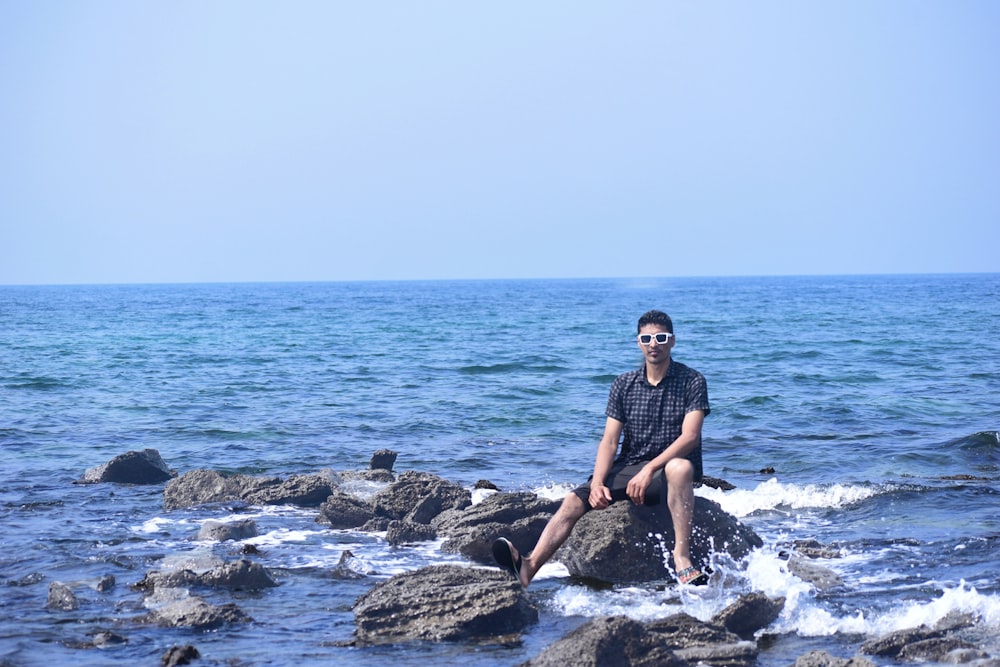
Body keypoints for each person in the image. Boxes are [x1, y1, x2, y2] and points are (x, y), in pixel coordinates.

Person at [492, 309, 711, 587]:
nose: (653, 343)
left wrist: (650, 470)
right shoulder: (623, 384)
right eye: (646, 338)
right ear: (638, 342)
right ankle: (528, 567)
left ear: (672, 341)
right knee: (573, 500)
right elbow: (609, 441)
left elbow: (690, 436)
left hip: (669, 473)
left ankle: (682, 558)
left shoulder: (692, 381)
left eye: (660, 337)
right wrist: (596, 484)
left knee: (680, 467)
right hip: (629, 467)